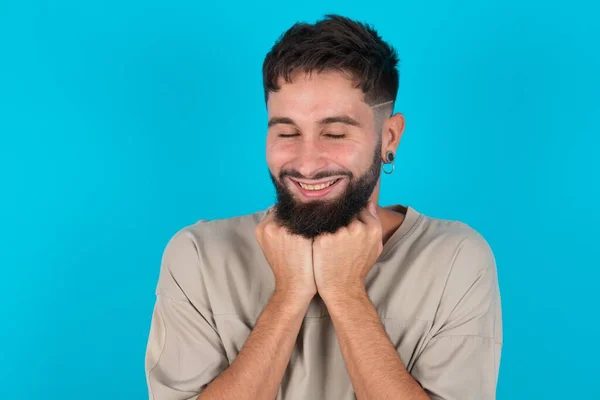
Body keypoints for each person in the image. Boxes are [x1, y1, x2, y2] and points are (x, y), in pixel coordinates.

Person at [144, 14, 502, 400]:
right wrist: (289, 294)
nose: (308, 162)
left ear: (390, 137)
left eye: (334, 133)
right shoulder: (199, 256)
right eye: (287, 132)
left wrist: (345, 291)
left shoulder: (455, 259)